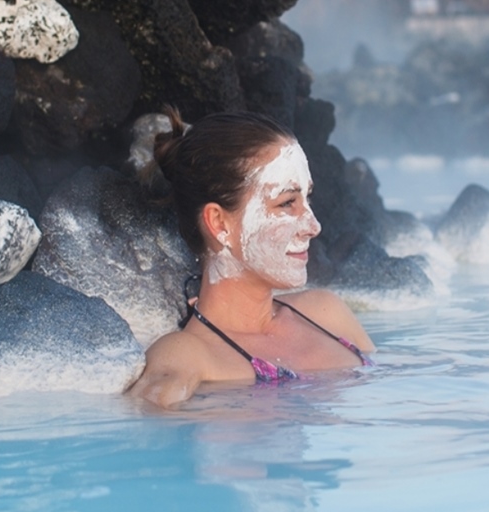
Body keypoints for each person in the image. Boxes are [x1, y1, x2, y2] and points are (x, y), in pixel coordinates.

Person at [128, 109, 375, 408]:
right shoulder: (187, 355)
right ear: (219, 223)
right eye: (287, 203)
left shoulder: (327, 313)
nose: (314, 226)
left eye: (307, 199)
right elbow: (142, 424)